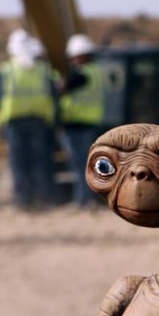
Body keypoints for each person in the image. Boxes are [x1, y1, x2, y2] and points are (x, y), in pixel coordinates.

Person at [0, 30, 56, 209]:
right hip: (39, 122)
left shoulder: (6, 70)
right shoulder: (43, 69)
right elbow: (53, 93)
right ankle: (42, 199)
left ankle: (22, 200)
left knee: (18, 162)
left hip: (14, 123)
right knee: (38, 160)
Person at [59, 34, 106, 207]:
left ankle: (82, 200)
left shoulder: (82, 74)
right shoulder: (94, 72)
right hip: (86, 124)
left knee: (79, 165)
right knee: (83, 164)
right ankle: (85, 199)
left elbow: (63, 87)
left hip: (76, 125)